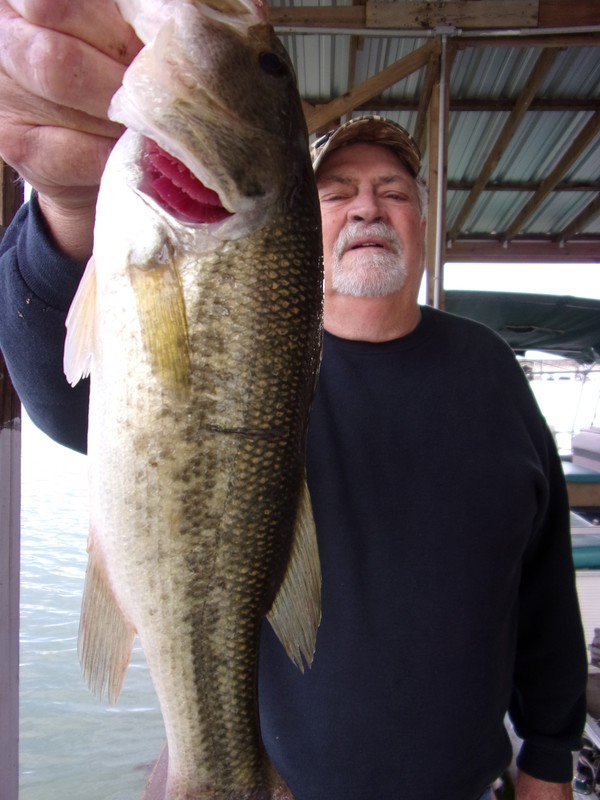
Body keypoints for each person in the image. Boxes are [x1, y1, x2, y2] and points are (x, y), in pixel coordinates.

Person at [0, 3, 588, 799]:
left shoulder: (489, 370)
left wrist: (550, 757)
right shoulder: (263, 354)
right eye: (338, 190)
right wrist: (68, 212)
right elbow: (65, 397)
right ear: (302, 225)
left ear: (421, 221)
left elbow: (545, 584)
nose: (368, 206)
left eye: (393, 190)